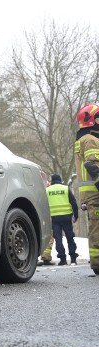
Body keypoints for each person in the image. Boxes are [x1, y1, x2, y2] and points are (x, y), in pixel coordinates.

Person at [74, 103, 99, 275]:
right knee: (97, 228)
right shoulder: (90, 140)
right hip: (95, 192)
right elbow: (92, 164)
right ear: (92, 121)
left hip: (89, 193)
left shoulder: (82, 140)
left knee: (95, 227)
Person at [45, 174, 78, 265]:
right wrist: (76, 215)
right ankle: (73, 258)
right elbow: (74, 203)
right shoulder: (65, 188)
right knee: (70, 238)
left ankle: (62, 259)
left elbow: (43, 205)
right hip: (66, 218)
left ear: (52, 180)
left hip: (54, 219)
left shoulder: (47, 190)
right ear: (60, 180)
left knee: (58, 239)